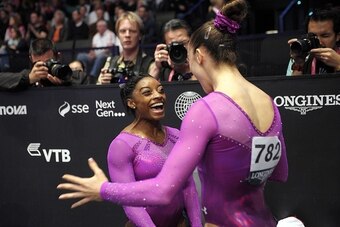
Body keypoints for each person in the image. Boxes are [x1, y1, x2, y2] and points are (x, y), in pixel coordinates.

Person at [57, 1, 288, 226]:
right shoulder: (267, 101)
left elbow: (163, 191)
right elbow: (279, 172)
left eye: (190, 62)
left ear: (199, 57)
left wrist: (104, 189)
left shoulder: (206, 109)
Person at [103, 74, 202, 226]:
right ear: (131, 103)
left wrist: (197, 225)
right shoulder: (122, 145)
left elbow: (189, 187)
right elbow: (129, 203)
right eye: (147, 92)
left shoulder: (177, 136)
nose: (158, 96)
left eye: (161, 90)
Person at [96, 12, 154, 85]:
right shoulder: (110, 62)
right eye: (123, 31)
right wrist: (102, 84)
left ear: (140, 35)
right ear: (118, 35)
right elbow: (96, 93)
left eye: (132, 31)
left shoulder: (150, 64)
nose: (127, 35)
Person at [286, 5, 340, 76]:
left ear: (338, 36)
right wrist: (299, 65)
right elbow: (293, 86)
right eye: (312, 36)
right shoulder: (302, 56)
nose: (319, 42)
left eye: (325, 36)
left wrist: (339, 64)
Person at [0, 38, 71, 90]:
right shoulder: (27, 75)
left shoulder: (65, 73)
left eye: (49, 62)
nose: (44, 68)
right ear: (31, 59)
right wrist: (28, 79)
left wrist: (65, 83)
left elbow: (80, 77)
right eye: (39, 64)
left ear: (58, 57)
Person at [76, 19, 121, 84]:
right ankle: (83, 75)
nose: (101, 28)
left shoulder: (110, 34)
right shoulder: (95, 36)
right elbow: (93, 48)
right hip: (96, 55)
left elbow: (108, 49)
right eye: (99, 26)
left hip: (107, 55)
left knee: (100, 56)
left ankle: (92, 76)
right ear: (97, 28)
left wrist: (97, 53)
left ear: (105, 27)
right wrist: (92, 53)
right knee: (81, 56)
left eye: (102, 26)